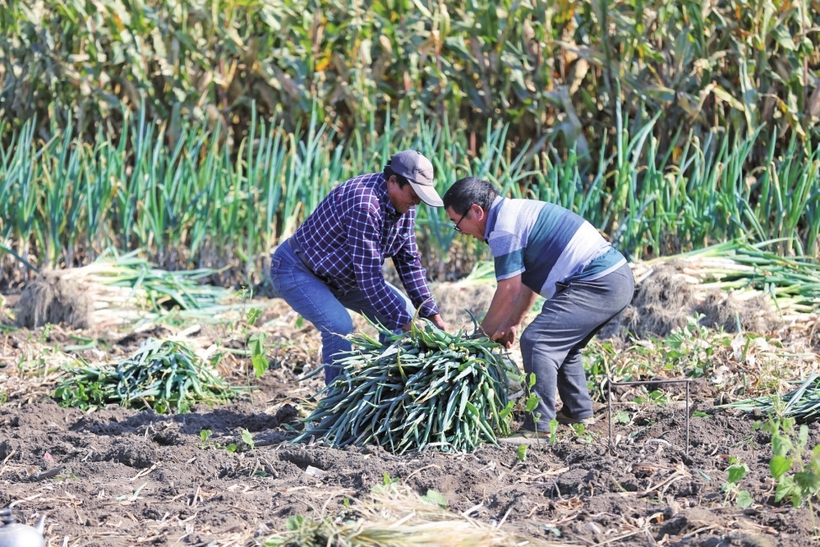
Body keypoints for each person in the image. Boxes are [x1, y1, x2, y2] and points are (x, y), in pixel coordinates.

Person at [442, 177, 634, 442]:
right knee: (563, 344)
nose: (459, 230)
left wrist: (478, 341)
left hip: (599, 281)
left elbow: (508, 290)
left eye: (457, 223)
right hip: (611, 279)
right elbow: (526, 284)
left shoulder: (503, 229)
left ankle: (538, 428)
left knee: (539, 341)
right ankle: (578, 411)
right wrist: (511, 323)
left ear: (476, 211)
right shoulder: (512, 214)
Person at [269, 150, 447, 385]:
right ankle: (336, 405)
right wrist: (406, 325)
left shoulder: (405, 208)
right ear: (393, 181)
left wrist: (430, 313)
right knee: (339, 326)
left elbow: (409, 262)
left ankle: (386, 389)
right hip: (299, 269)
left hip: (344, 277)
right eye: (414, 193)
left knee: (403, 312)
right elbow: (370, 279)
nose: (416, 201)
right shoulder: (365, 204)